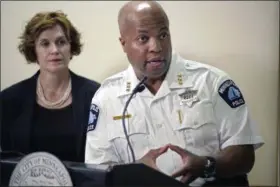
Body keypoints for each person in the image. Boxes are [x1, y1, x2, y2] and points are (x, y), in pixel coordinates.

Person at [85, 1, 264, 186]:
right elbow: (97, 173)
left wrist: (206, 165)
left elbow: (244, 156)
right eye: (143, 38)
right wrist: (134, 173)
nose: (157, 47)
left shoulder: (212, 82)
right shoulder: (106, 98)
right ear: (123, 43)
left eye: (163, 35)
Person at [0, 11, 100, 163]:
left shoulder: (95, 95)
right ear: (34, 50)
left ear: (70, 47)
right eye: (45, 43)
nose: (54, 50)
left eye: (61, 42)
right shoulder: (8, 100)